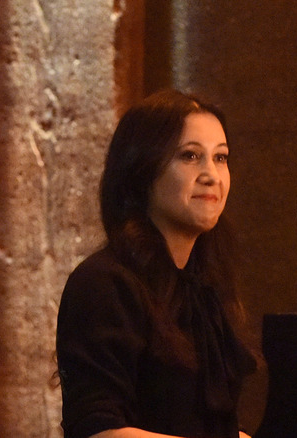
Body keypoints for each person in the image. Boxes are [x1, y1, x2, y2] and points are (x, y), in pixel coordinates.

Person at [56, 89, 258, 438]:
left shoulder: (204, 288)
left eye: (221, 158)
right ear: (142, 170)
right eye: (191, 156)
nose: (211, 174)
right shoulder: (104, 283)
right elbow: (98, 430)